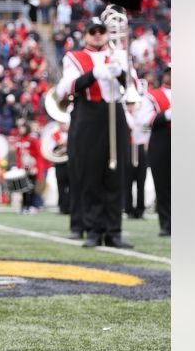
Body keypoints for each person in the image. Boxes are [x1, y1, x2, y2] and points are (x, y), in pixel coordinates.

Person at [56, 18, 137, 249]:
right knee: (91, 173)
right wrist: (94, 74)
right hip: (89, 113)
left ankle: (114, 230)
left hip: (114, 111)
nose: (98, 35)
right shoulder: (74, 57)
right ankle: (93, 229)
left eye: (101, 31)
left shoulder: (119, 54)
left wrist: (121, 72)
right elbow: (67, 88)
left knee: (115, 172)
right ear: (86, 35)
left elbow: (132, 86)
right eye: (93, 31)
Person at [137, 65, 171, 236]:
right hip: (162, 139)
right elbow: (144, 119)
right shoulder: (152, 95)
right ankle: (167, 224)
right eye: (169, 73)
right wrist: (166, 115)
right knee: (163, 184)